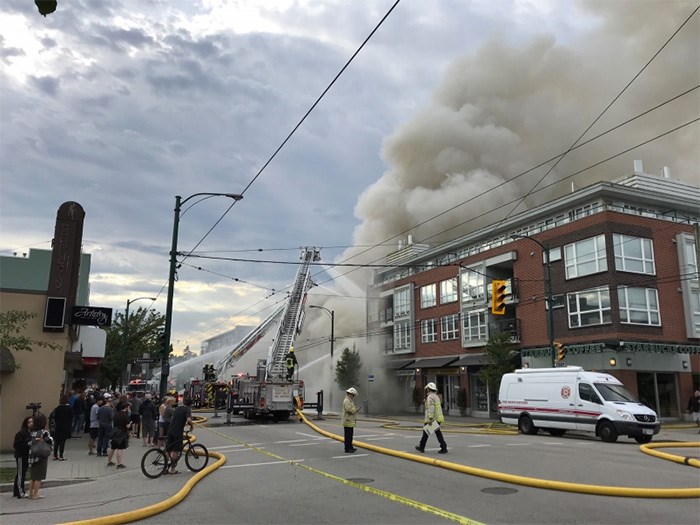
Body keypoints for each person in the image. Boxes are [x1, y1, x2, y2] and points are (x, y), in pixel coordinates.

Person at [415, 382, 447, 454]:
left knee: (426, 432)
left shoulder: (430, 397)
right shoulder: (436, 396)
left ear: (429, 389)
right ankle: (443, 447)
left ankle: (422, 447)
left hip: (432, 419)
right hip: (438, 418)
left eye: (427, 389)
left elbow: (431, 408)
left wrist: (430, 418)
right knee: (435, 432)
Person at [28, 413, 53, 500]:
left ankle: (30, 493)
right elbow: (49, 441)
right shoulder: (44, 432)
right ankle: (36, 494)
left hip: (32, 455)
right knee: (38, 477)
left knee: (33, 476)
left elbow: (29, 443)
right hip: (41, 456)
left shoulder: (32, 432)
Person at [165, 397, 193, 474]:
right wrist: (191, 426)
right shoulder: (187, 409)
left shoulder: (177, 408)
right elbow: (189, 420)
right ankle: (172, 469)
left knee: (168, 450)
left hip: (170, 430)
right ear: (190, 405)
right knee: (175, 450)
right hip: (177, 432)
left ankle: (164, 467)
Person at [13, 416, 33, 499]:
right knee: (21, 474)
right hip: (21, 456)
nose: (31, 424)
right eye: (29, 422)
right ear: (25, 423)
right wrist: (28, 444)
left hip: (26, 455)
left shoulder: (30, 432)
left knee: (21, 473)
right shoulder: (22, 433)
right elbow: (16, 445)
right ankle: (20, 492)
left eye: (32, 422)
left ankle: (16, 491)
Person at [107, 402, 131, 469]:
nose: (129, 409)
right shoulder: (125, 416)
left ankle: (109, 461)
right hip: (122, 433)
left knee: (113, 448)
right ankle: (119, 464)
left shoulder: (116, 414)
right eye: (128, 407)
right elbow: (128, 426)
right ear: (126, 408)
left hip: (115, 432)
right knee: (120, 448)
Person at [52, 394, 73, 461]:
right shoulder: (69, 408)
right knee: (62, 442)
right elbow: (71, 418)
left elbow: (55, 417)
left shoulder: (58, 408)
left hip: (58, 426)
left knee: (56, 442)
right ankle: (61, 456)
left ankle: (55, 455)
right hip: (65, 427)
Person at [342, 387, 359, 453]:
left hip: (350, 420)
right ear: (350, 394)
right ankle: (347, 448)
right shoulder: (347, 401)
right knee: (348, 435)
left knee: (350, 435)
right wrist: (356, 410)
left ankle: (350, 446)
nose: (354, 396)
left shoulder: (349, 400)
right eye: (353, 395)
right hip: (347, 421)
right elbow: (349, 410)